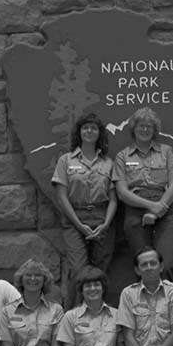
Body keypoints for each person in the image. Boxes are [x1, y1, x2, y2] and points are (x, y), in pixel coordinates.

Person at [51, 111, 118, 304]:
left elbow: (114, 198)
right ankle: (75, 315)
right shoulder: (66, 160)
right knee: (79, 270)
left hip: (102, 218)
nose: (89, 131)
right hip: (74, 219)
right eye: (85, 127)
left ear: (100, 133)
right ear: (79, 132)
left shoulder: (108, 162)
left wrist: (105, 225)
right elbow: (62, 197)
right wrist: (79, 225)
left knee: (100, 271)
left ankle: (100, 316)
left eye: (94, 128)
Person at [114, 107, 173, 277]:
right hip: (136, 210)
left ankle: (169, 302)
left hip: (166, 209)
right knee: (143, 266)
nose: (145, 130)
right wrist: (152, 207)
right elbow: (122, 192)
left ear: (155, 130)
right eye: (141, 126)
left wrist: (160, 209)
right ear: (133, 129)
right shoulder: (123, 156)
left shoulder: (166, 151)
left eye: (149, 126)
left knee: (167, 265)